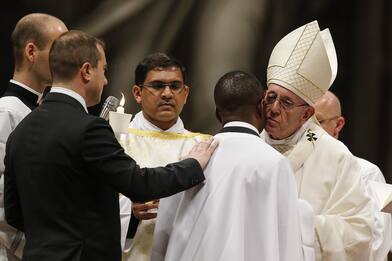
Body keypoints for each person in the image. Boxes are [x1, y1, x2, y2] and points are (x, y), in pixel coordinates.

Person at [3, 30, 217, 261]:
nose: (105, 80)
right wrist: (193, 165)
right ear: (86, 71)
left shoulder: (21, 131)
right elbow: (139, 184)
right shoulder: (89, 129)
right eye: (103, 71)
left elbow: (14, 213)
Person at [151, 71, 304, 261]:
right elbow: (287, 242)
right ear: (261, 108)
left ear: (217, 113)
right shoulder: (274, 163)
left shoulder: (190, 158)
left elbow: (163, 234)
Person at [260, 20, 374, 260]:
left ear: (307, 114)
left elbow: (360, 233)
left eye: (286, 102)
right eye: (270, 97)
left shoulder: (335, 156)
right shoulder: (251, 147)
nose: (273, 109)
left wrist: (299, 223)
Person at [119, 52, 210, 261]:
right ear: (138, 93)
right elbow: (91, 206)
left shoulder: (204, 146)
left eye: (175, 86)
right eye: (158, 86)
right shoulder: (117, 142)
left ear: (186, 94)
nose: (168, 94)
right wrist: (130, 213)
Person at [0, 13, 68, 260]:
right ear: (31, 52)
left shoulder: (37, 111)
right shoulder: (6, 111)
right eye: (59, 49)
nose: (67, 59)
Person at [314, 90, 392, 261]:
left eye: (318, 122)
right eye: (306, 123)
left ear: (338, 125)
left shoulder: (366, 172)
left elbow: (376, 245)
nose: (311, 133)